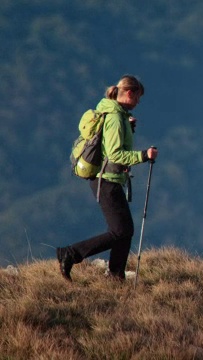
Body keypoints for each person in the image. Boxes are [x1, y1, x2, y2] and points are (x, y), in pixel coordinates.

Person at [56, 74, 158, 281]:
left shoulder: (115, 114)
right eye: (137, 97)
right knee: (121, 230)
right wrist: (143, 155)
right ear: (129, 93)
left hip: (109, 178)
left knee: (124, 230)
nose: (138, 102)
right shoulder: (114, 118)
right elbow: (114, 155)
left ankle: (115, 276)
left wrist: (127, 127)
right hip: (106, 180)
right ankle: (71, 254)